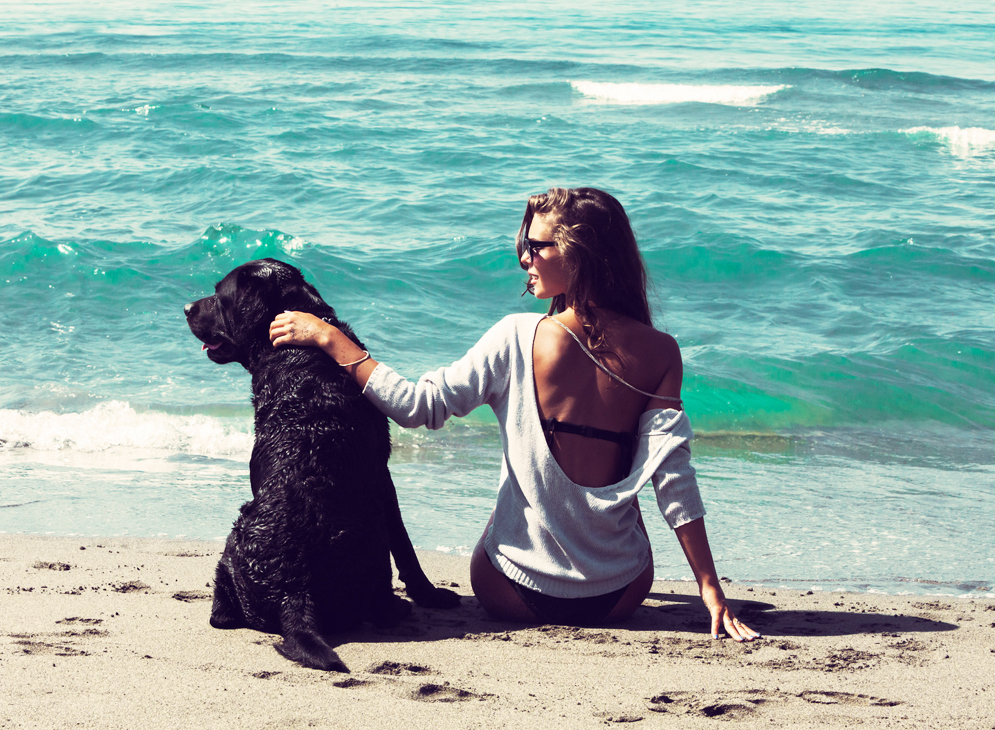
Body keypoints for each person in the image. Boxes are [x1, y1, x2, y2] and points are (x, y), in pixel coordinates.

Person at [268, 187, 759, 641]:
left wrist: (330, 338)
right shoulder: (661, 352)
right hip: (620, 595)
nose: (524, 256)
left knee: (502, 521)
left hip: (513, 594)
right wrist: (709, 588)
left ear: (581, 254)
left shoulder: (516, 336)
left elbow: (418, 407)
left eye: (537, 245)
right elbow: (672, 478)